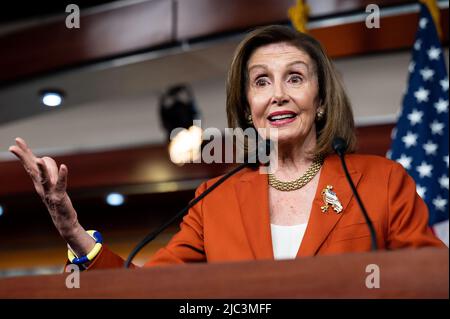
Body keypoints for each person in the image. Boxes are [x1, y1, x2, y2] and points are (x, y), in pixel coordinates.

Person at [9, 25, 445, 271]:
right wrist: (73, 231)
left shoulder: (381, 181)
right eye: (260, 82)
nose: (277, 94)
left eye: (294, 77)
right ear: (247, 107)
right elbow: (146, 288)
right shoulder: (214, 200)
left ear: (322, 99)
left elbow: (431, 279)